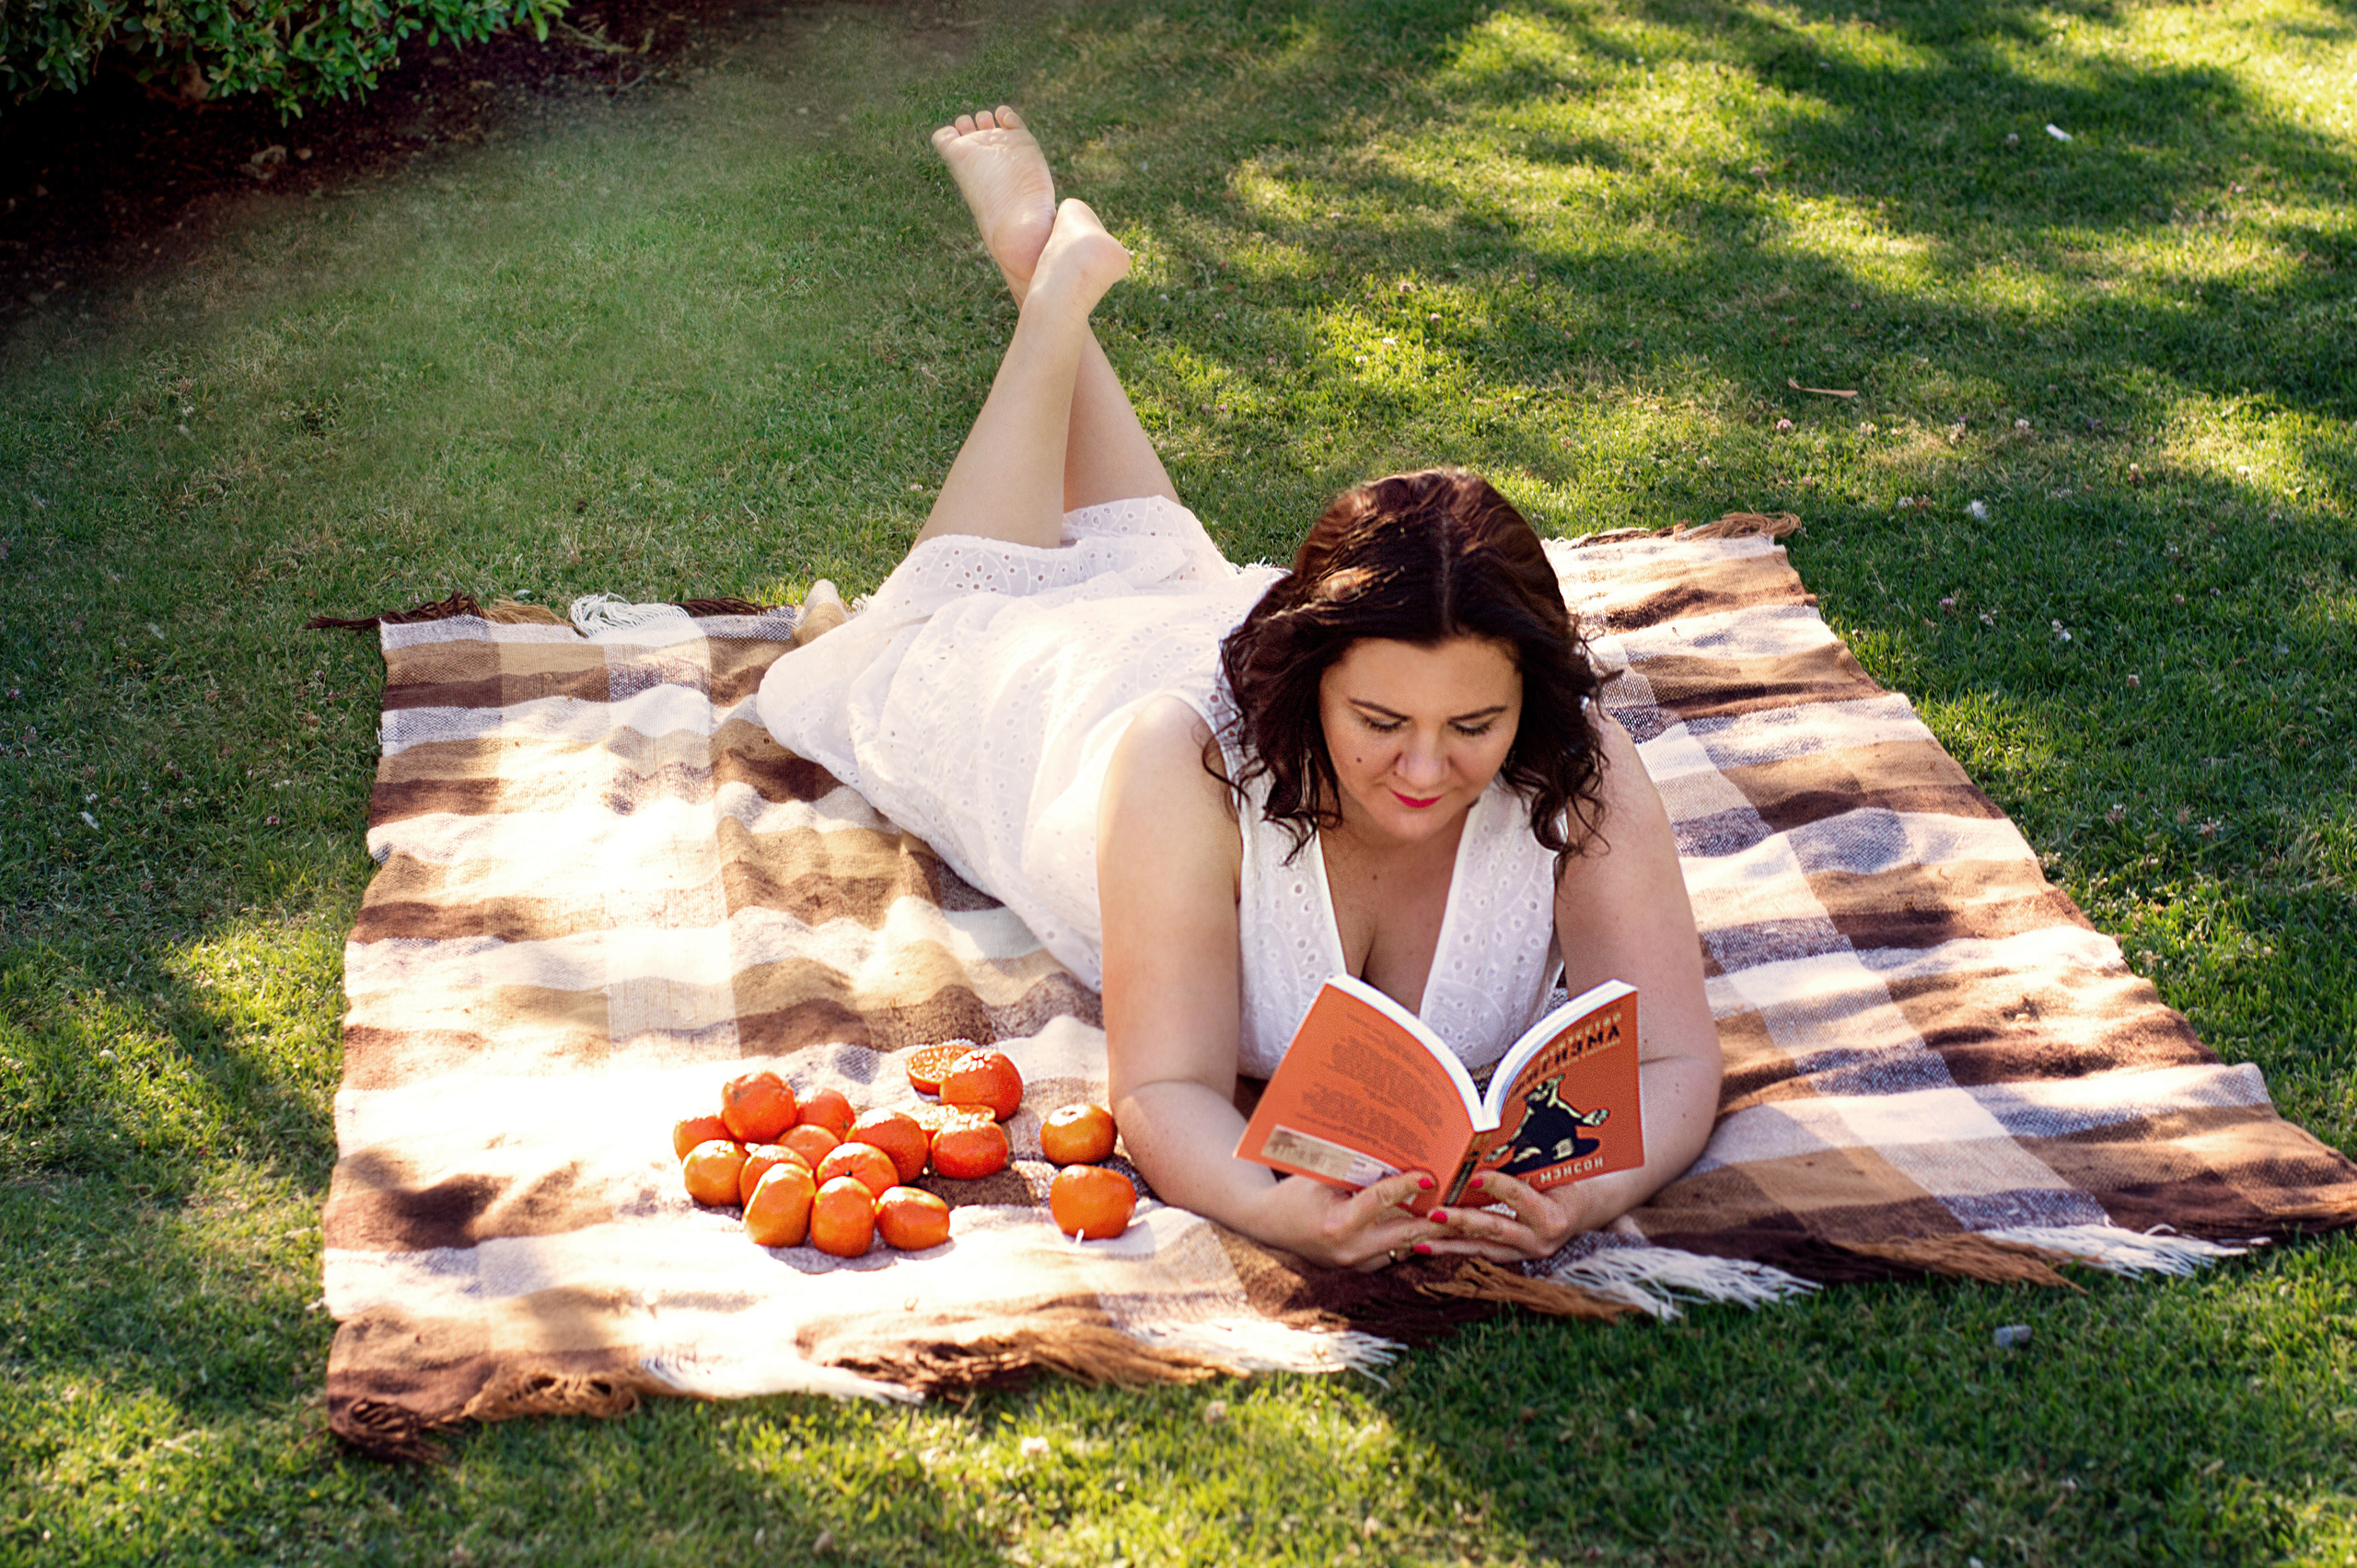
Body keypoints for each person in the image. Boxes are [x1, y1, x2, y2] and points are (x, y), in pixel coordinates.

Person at [759, 108, 1722, 1272]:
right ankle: (1047, 289)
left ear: (1530, 698)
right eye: (1381, 723)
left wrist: (1578, 1198)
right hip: (1068, 727)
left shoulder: (1580, 771)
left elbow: (1674, 1062)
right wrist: (1274, 1209)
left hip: (1213, 645)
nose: (1425, 769)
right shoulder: (1187, 764)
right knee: (939, 626)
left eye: (1474, 725)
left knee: (1167, 568)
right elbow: (1165, 1086)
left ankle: (1045, 272)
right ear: (1315, 682)